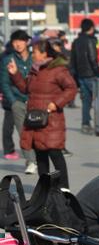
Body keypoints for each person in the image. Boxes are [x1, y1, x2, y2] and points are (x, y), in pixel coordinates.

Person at [7, 39, 77, 189]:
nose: (33, 55)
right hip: (35, 120)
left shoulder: (58, 70)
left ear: (45, 53)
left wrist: (56, 103)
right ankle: (45, 188)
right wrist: (15, 74)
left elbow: (71, 88)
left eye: (36, 52)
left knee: (55, 153)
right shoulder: (35, 70)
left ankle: (64, 188)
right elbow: (26, 88)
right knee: (40, 155)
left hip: (52, 120)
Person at [0, 29, 37, 173]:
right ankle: (30, 161)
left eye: (21, 41)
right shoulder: (7, 60)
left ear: (27, 42)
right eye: (15, 42)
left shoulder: (35, 58)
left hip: (35, 100)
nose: (18, 44)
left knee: (38, 132)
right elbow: (4, 83)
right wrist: (13, 101)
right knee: (23, 132)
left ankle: (38, 158)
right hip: (17, 101)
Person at [70, 18, 99, 135]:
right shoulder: (91, 40)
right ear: (91, 28)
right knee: (98, 100)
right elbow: (93, 58)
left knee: (86, 101)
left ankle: (85, 124)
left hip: (80, 75)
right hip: (91, 75)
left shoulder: (76, 41)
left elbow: (72, 60)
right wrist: (98, 72)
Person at [0, 41, 19, 160]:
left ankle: (8, 150)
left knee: (8, 123)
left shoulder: (2, 57)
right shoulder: (14, 58)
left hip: (6, 95)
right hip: (15, 94)